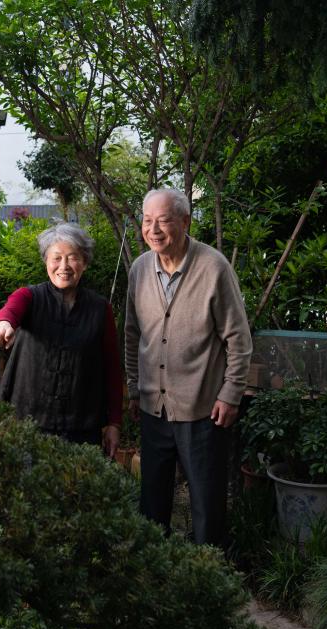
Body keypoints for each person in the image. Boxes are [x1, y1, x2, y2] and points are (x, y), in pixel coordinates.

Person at [125, 188, 252, 546]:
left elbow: (238, 338)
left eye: (163, 220)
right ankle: (156, 566)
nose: (153, 229)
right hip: (153, 407)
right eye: (147, 221)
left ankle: (210, 570)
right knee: (152, 500)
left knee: (207, 503)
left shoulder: (213, 267)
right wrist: (134, 386)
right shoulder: (139, 269)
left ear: (185, 222)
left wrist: (231, 393)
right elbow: (132, 333)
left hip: (203, 410)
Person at [0, 222, 122, 455]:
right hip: (26, 423)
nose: (64, 266)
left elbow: (112, 368)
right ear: (46, 262)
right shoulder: (29, 297)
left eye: (73, 258)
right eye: (56, 258)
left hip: (81, 428)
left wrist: (114, 423)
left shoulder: (100, 309)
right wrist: (3, 324)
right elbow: (10, 311)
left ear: (85, 263)